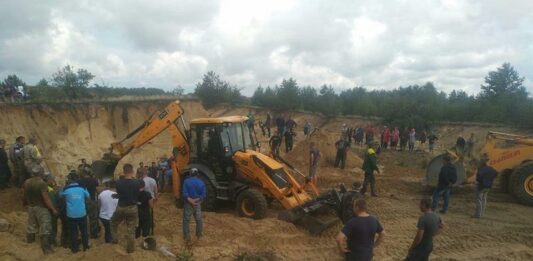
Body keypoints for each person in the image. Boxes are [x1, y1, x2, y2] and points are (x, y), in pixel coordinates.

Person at [23, 166, 58, 254]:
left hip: (31, 207)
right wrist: (53, 209)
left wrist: (25, 203)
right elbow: (46, 198)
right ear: (41, 173)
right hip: (41, 208)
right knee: (45, 227)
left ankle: (29, 246)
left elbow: (24, 194)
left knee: (31, 227)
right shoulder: (41, 183)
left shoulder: (27, 182)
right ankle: (46, 249)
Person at [111, 163, 140, 253]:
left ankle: (115, 240)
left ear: (124, 171)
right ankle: (130, 249)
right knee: (131, 230)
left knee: (113, 223)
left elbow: (118, 194)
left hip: (121, 207)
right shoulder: (136, 183)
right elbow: (137, 195)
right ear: (132, 171)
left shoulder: (118, 182)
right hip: (132, 208)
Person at [59, 171, 90, 253]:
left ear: (69, 179)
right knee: (84, 231)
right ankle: (86, 247)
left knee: (73, 232)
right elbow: (88, 197)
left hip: (71, 215)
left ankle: (74, 249)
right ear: (77, 179)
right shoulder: (83, 188)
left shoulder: (66, 189)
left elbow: (60, 195)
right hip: (82, 213)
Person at [182, 168, 206, 244]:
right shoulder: (201, 182)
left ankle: (187, 237)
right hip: (197, 203)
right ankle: (198, 235)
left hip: (188, 203)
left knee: (186, 220)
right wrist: (196, 200)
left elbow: (184, 193)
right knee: (198, 220)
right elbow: (203, 195)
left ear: (190, 173)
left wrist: (191, 201)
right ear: (197, 174)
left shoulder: (186, 181)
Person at [78, 168, 100, 238]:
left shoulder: (79, 181)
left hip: (83, 201)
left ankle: (84, 234)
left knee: (83, 218)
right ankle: (94, 234)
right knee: (93, 218)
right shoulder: (93, 180)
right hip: (92, 200)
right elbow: (97, 187)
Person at [44, 173, 60, 246]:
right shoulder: (49, 190)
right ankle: (52, 241)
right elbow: (53, 201)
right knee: (53, 227)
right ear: (49, 180)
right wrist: (54, 209)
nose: (53, 181)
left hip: (46, 211)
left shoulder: (45, 187)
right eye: (52, 179)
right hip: (51, 210)